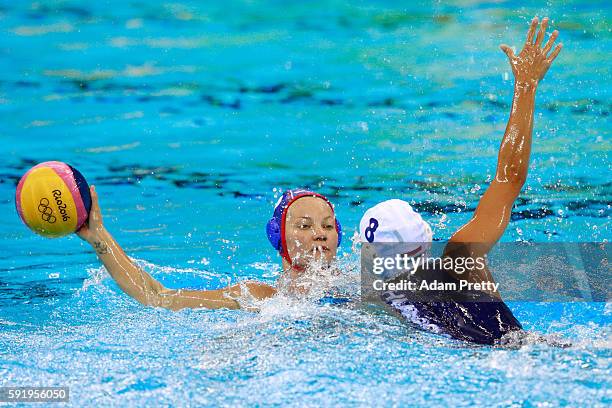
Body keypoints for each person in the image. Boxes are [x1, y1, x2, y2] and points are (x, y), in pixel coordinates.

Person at [358, 16, 562, 344]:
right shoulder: (459, 258)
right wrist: (526, 85)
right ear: (424, 240)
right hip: (533, 358)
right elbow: (510, 178)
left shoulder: (378, 299)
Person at [77, 188, 341, 310]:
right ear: (278, 238)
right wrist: (99, 237)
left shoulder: (357, 282)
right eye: (305, 226)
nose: (320, 234)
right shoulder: (258, 296)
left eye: (328, 227)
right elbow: (157, 297)